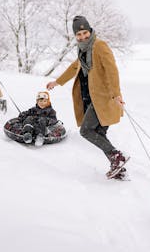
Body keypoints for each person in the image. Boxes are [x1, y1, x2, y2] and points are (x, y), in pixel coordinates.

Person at [46, 15, 128, 179]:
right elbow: (74, 67)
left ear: (90, 31)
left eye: (85, 33)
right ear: (75, 36)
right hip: (92, 99)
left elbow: (112, 71)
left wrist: (116, 94)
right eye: (79, 34)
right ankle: (118, 167)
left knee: (86, 131)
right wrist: (57, 82)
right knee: (98, 133)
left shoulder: (99, 46)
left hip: (104, 99)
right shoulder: (83, 50)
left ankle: (117, 157)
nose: (83, 36)